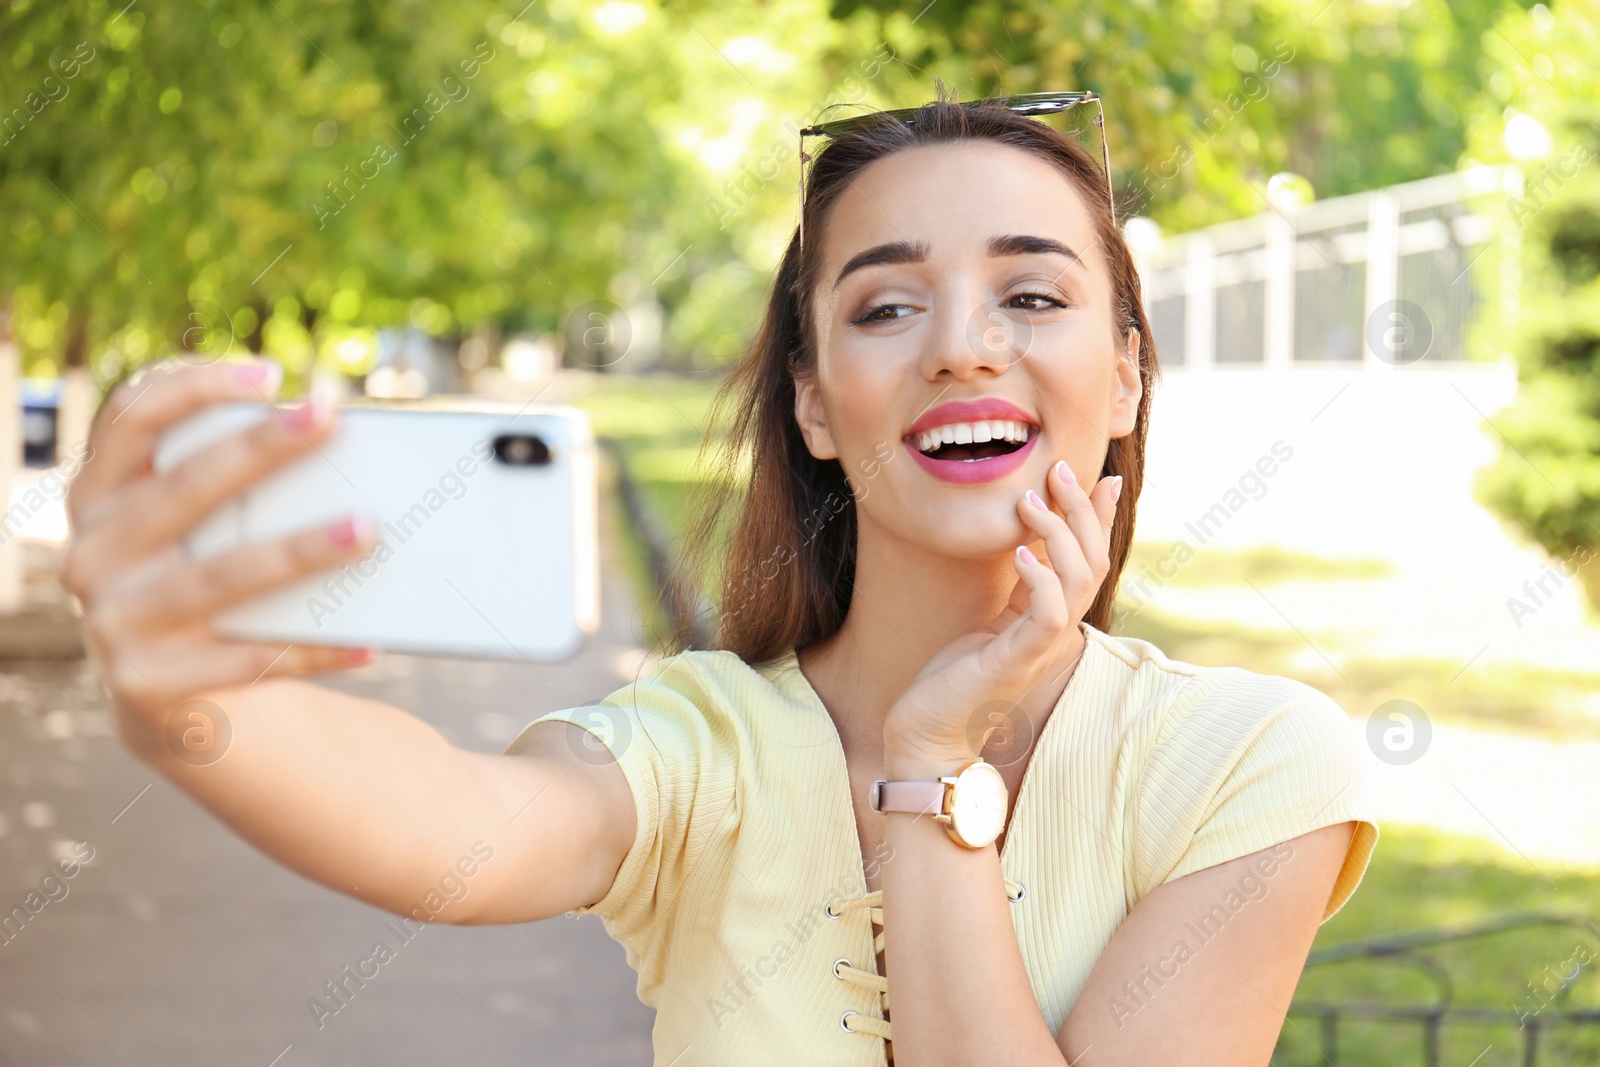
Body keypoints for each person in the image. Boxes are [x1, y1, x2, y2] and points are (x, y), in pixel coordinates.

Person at [64, 90, 1378, 1066]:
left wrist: (930, 763)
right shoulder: (705, 743)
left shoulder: (1251, 761)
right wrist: (186, 706)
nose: (964, 348)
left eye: (1033, 296)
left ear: (1131, 372)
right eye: (884, 305)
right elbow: (468, 824)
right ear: (813, 402)